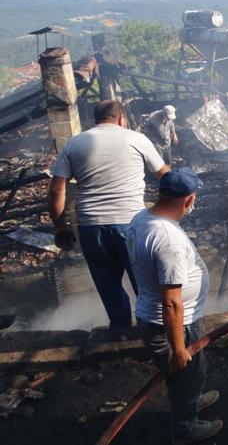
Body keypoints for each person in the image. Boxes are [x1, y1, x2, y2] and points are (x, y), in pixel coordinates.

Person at [48, 100, 170, 338]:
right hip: (132, 224)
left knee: (107, 282)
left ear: (95, 120)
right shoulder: (136, 139)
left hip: (91, 227)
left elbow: (56, 191)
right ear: (121, 118)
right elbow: (165, 175)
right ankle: (153, 332)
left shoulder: (74, 144)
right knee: (144, 281)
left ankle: (121, 330)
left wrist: (60, 227)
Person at [128, 167, 222, 445]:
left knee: (190, 373)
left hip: (163, 319)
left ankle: (191, 398)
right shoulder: (168, 240)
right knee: (183, 371)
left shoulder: (142, 217)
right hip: (169, 325)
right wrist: (178, 347)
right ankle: (185, 429)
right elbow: (171, 302)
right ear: (189, 201)